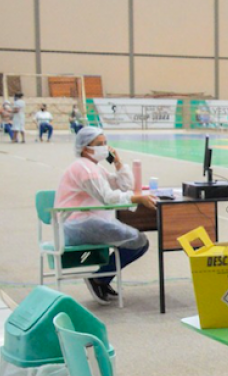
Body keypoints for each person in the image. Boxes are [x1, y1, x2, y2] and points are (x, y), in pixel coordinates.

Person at [55, 127, 155, 305]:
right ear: (86, 148)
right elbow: (108, 198)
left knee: (138, 242)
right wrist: (137, 198)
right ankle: (100, 277)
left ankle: (102, 278)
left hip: (88, 222)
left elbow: (124, 185)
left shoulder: (95, 167)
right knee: (138, 242)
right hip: (79, 224)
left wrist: (118, 163)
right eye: (99, 144)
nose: (105, 147)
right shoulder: (85, 169)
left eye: (106, 143)